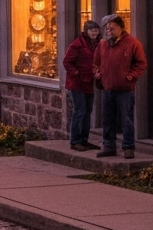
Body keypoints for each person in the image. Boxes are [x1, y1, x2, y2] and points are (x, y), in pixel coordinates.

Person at [93, 14, 147, 159]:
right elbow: (96, 62)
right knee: (107, 119)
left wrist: (130, 76)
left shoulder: (132, 43)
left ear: (121, 28)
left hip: (124, 89)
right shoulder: (103, 44)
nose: (109, 30)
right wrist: (97, 72)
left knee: (126, 119)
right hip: (107, 87)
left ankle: (128, 147)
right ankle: (109, 146)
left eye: (113, 28)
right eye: (107, 28)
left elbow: (141, 63)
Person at [62, 20, 100, 151]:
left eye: (96, 30)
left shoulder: (97, 44)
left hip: (89, 82)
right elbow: (67, 62)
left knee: (88, 111)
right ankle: (75, 140)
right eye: (91, 30)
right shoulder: (78, 44)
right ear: (86, 31)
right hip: (77, 83)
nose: (94, 33)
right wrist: (77, 73)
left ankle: (84, 139)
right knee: (80, 111)